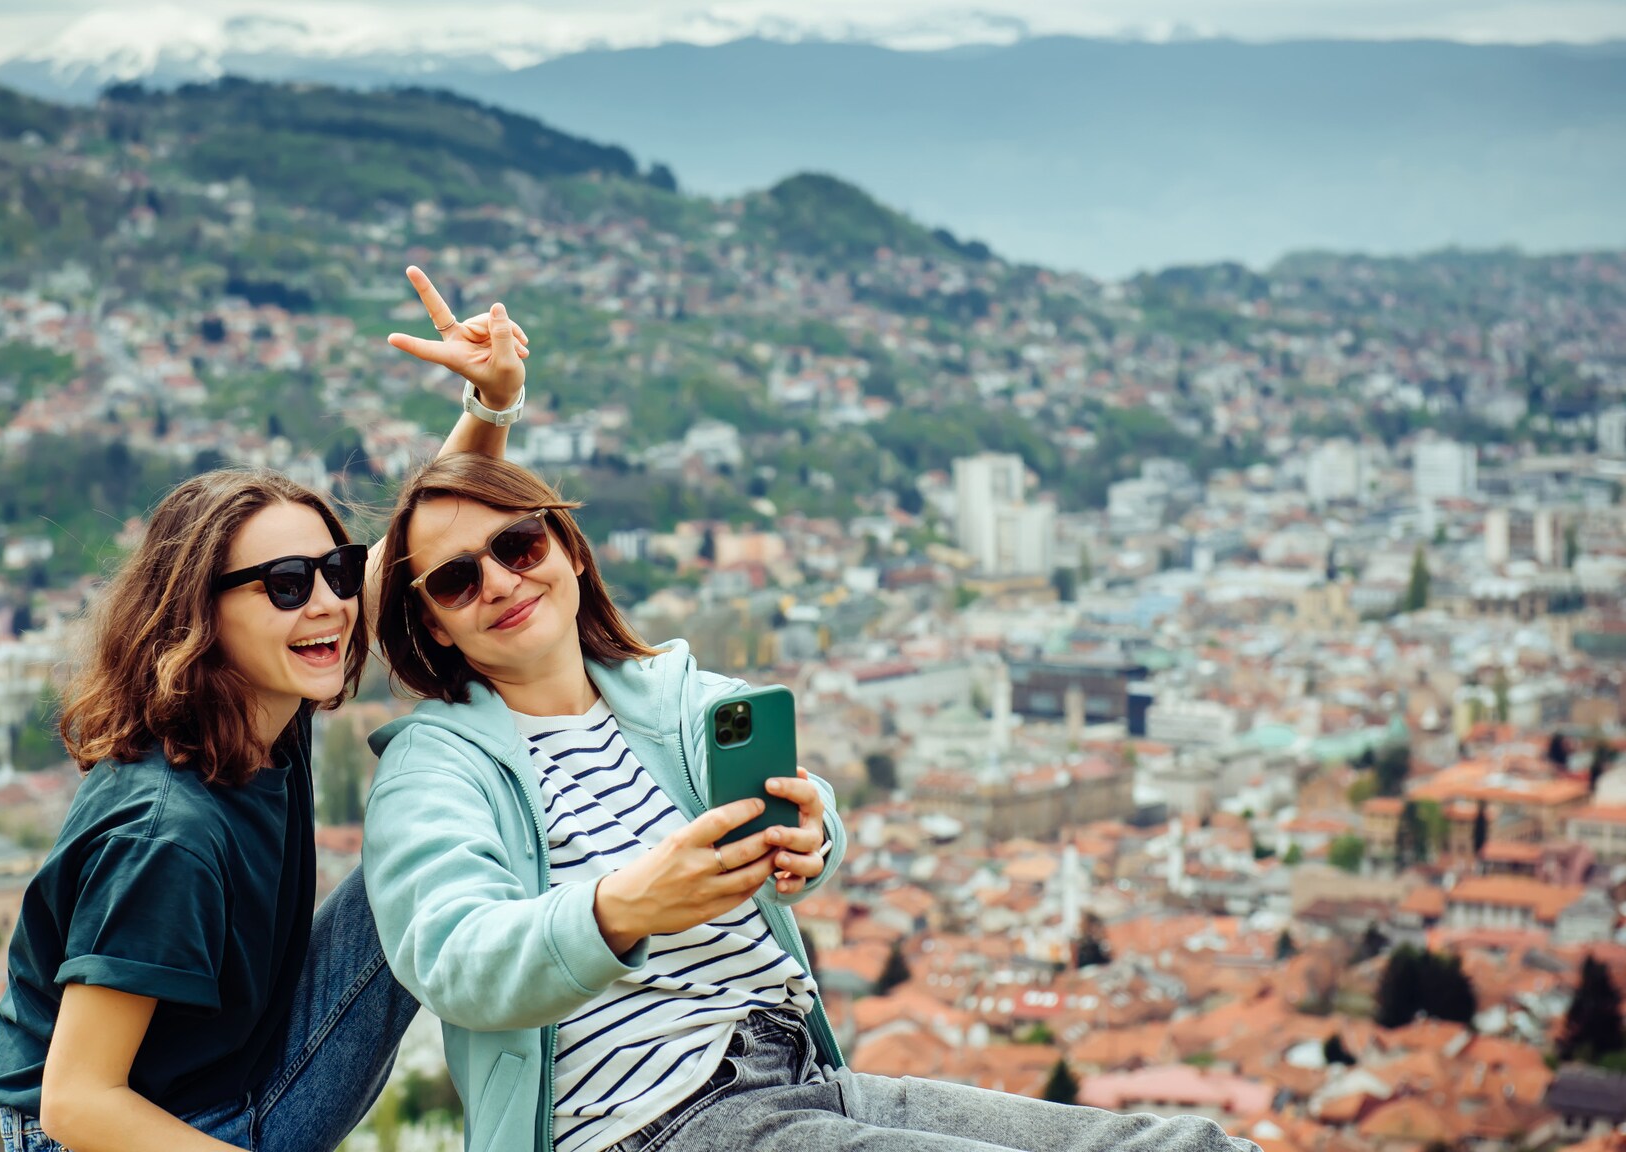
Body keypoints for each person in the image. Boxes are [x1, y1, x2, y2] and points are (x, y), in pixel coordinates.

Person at [360, 454, 1260, 1152]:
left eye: (517, 546)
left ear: (566, 548)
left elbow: (795, 793)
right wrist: (621, 908)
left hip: (800, 1071)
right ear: (433, 620)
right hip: (647, 1119)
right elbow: (447, 954)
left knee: (1189, 1142)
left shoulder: (669, 696)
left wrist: (811, 828)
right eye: (455, 579)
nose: (501, 583)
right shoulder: (436, 767)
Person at [0, 267, 533, 1152]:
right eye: (285, 585)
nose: (327, 602)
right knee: (445, 847)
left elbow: (413, 550)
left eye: (333, 571)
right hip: (135, 1134)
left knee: (438, 841)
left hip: (228, 1076)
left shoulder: (257, 702)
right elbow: (77, 1103)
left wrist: (491, 403)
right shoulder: (168, 833)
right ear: (201, 616)